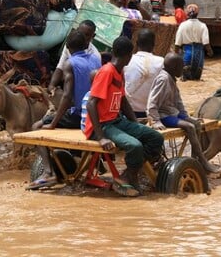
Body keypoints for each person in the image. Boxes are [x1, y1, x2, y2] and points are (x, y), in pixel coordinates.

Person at [84, 36, 164, 197]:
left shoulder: (119, 72)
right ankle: (131, 176)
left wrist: (136, 124)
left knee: (155, 138)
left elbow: (122, 100)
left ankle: (128, 173)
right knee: (135, 146)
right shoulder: (106, 72)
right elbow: (91, 103)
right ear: (129, 56)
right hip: (103, 126)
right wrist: (101, 137)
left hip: (117, 121)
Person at [28, 31, 101, 189]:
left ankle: (48, 173)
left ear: (67, 47)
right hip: (96, 115)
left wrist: (53, 123)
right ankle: (95, 166)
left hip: (79, 116)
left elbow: (67, 97)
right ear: (86, 45)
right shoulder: (96, 59)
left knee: (36, 127)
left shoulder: (70, 63)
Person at [147, 53, 221, 173]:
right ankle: (203, 161)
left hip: (172, 113)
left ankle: (194, 160)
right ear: (174, 67)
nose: (183, 69)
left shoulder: (171, 78)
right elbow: (152, 103)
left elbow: (178, 102)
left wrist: (187, 116)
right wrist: (155, 121)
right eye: (181, 66)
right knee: (190, 127)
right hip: (164, 115)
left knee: (196, 124)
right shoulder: (163, 79)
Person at [48, 20, 101, 92]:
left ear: (93, 36)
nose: (82, 37)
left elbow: (90, 83)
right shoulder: (71, 44)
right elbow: (60, 67)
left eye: (87, 35)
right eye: (80, 33)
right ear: (76, 30)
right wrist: (51, 85)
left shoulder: (95, 55)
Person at [124, 29, 164, 120]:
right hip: (152, 112)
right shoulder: (161, 62)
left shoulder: (127, 60)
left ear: (136, 43)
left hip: (128, 111)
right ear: (154, 44)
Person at [174, 4, 213, 80]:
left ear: (187, 14)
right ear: (197, 14)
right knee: (196, 80)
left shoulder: (182, 25)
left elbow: (177, 43)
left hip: (186, 54)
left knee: (185, 80)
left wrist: (175, 56)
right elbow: (206, 43)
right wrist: (210, 52)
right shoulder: (203, 25)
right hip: (199, 56)